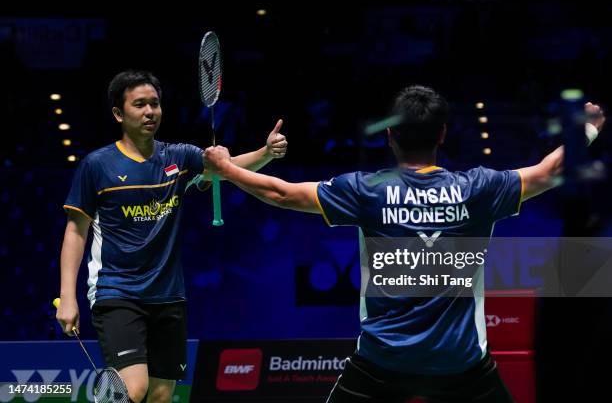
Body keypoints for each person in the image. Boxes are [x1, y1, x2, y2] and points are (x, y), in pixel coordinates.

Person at [202, 85, 605, 402]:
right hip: (461, 364)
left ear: (390, 135)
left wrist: (225, 169)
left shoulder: (367, 190)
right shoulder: (480, 188)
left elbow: (282, 194)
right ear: (443, 134)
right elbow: (551, 171)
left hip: (382, 362)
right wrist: (587, 126)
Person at [55, 70, 287, 403]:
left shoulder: (178, 157)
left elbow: (229, 168)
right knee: (133, 390)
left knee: (162, 396)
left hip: (167, 294)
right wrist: (67, 296)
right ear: (119, 114)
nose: (150, 111)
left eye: (155, 103)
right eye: (139, 105)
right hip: (117, 291)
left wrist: (265, 151)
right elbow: (76, 231)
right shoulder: (98, 165)